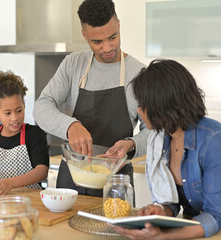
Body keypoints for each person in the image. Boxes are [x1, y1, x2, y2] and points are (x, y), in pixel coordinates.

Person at [111, 59, 221, 239]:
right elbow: (174, 202)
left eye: (141, 104)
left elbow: (215, 216)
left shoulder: (216, 140)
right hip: (202, 231)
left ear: (160, 104)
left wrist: (162, 236)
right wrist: (159, 211)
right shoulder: (161, 139)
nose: (138, 111)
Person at [33, 0, 149, 197]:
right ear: (84, 35)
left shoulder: (140, 74)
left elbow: (153, 131)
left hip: (117, 181)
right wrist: (71, 126)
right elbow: (41, 107)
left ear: (119, 25)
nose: (107, 47)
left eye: (113, 37)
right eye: (97, 42)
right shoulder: (73, 64)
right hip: (71, 177)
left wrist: (130, 144)